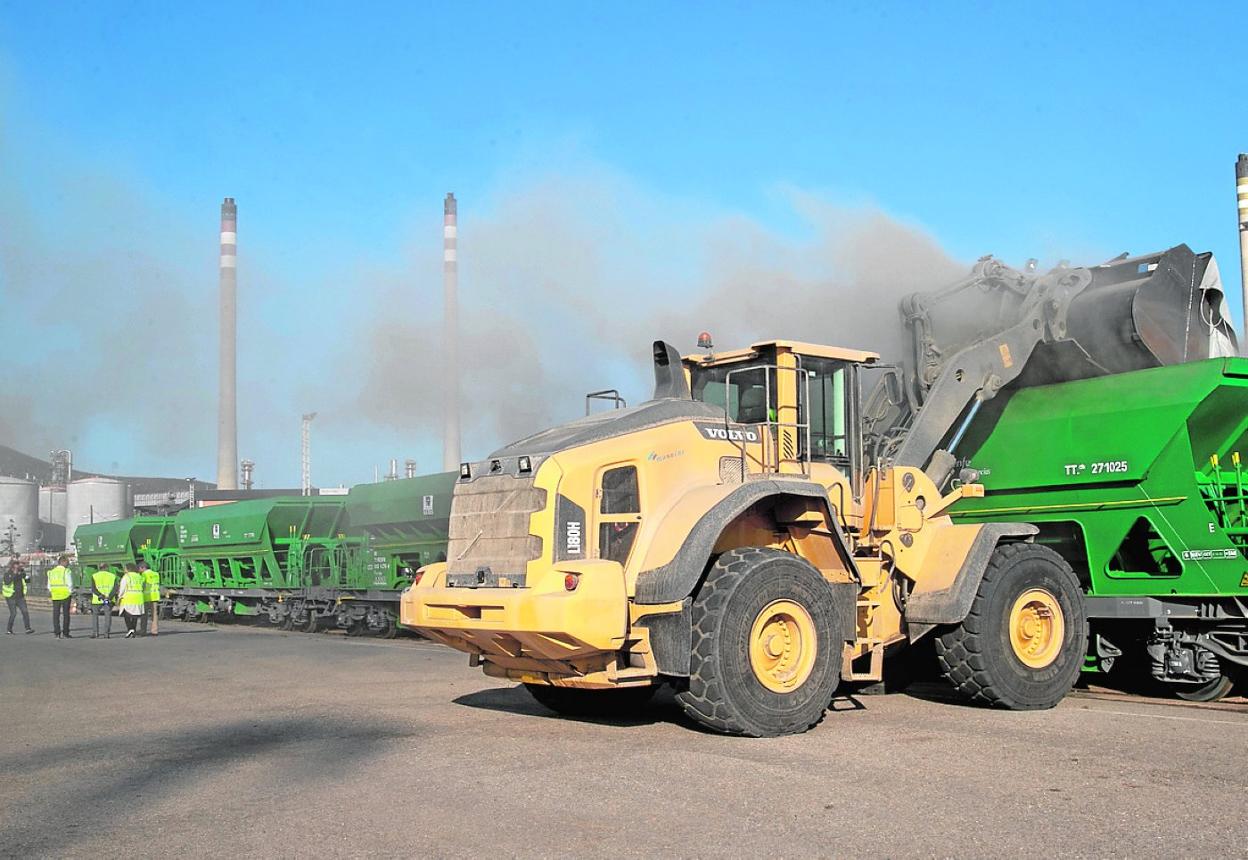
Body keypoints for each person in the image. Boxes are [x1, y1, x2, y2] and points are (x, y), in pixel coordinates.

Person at [46, 554, 74, 639]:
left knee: (56, 615)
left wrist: (53, 592)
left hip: (55, 596)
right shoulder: (66, 571)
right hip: (65, 595)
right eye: (67, 562)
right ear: (63, 562)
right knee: (66, 615)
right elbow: (70, 584)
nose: (68, 563)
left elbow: (49, 586)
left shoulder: (51, 572)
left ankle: (57, 633)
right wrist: (70, 592)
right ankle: (65, 632)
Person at [4, 559, 34, 634]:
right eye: (16, 566)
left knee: (25, 612)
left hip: (20, 597)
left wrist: (25, 575)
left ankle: (28, 628)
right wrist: (14, 574)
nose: (18, 567)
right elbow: (7, 582)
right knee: (13, 613)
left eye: (18, 566)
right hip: (11, 597)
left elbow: (28, 581)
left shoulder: (21, 573)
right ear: (12, 567)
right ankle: (9, 629)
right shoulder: (8, 574)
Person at [116, 564, 146, 638]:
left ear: (128, 569)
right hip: (139, 597)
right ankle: (133, 630)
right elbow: (143, 586)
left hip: (129, 597)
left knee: (126, 613)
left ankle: (130, 628)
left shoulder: (126, 576)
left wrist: (119, 596)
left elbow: (122, 587)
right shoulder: (139, 576)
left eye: (125, 569)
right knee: (135, 615)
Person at [90, 566, 119, 639]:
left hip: (98, 599)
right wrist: (109, 597)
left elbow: (93, 589)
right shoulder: (113, 576)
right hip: (109, 599)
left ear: (99, 568)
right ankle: (106, 634)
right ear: (107, 568)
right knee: (108, 615)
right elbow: (115, 588)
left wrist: (101, 596)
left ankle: (95, 633)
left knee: (95, 616)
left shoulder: (94, 576)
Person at [139, 560, 160, 636]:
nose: (139, 571)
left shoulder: (144, 575)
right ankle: (155, 631)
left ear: (143, 568)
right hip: (155, 596)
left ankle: (143, 631)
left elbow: (142, 585)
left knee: (144, 615)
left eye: (140, 569)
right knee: (154, 614)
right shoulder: (156, 574)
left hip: (146, 597)